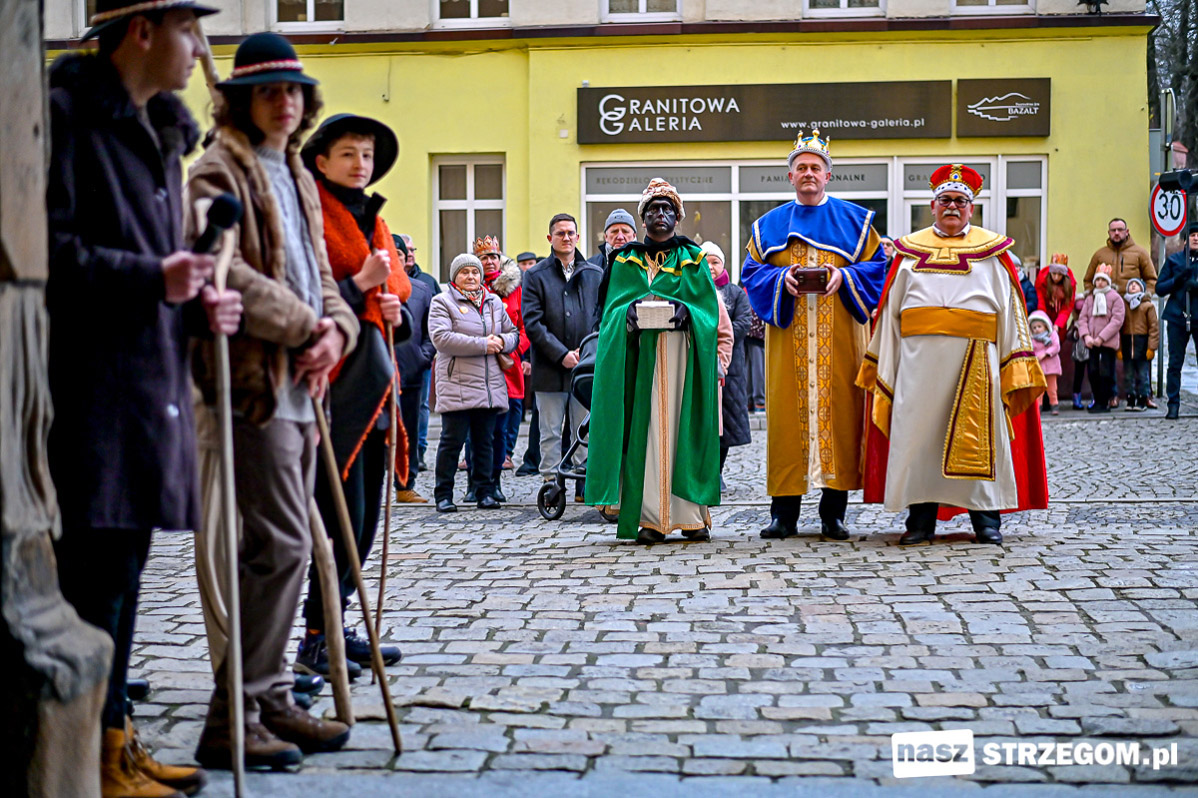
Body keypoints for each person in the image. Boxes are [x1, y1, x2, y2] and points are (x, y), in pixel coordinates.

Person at [47, 2, 239, 794]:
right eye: (190, 32)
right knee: (93, 576)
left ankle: (116, 737)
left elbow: (167, 264)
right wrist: (154, 280)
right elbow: (46, 254)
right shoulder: (66, 119)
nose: (200, 52)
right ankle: (86, 750)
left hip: (150, 380)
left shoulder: (162, 131)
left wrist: (199, 302)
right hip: (91, 382)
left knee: (126, 571)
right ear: (143, 32)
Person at [186, 32, 358, 769]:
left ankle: (270, 698)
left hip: (299, 381)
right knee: (283, 545)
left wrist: (338, 333)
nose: (285, 102)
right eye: (268, 91)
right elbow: (220, 270)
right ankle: (235, 714)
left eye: (294, 91)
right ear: (240, 100)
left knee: (296, 547)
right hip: (246, 380)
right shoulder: (216, 169)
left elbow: (319, 274)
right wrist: (307, 324)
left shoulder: (293, 171)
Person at [857, 164, 1048, 546]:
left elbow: (1011, 313)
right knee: (918, 440)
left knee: (979, 439)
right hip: (916, 368)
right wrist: (885, 364)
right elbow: (891, 315)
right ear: (932, 205)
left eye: (961, 201)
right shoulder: (909, 253)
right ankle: (920, 520)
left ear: (972, 209)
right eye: (945, 200)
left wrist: (1014, 365)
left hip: (977, 362)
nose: (952, 207)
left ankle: (986, 520)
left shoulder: (993, 254)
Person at [294, 113, 410, 678]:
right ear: (321, 161)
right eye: (348, 154)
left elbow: (394, 302)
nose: (360, 164)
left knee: (360, 525)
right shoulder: (308, 214)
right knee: (335, 519)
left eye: (365, 155)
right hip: (331, 386)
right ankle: (316, 639)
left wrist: (394, 311)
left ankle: (334, 628)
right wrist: (360, 286)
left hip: (374, 382)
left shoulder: (372, 218)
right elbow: (302, 292)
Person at [740, 131, 888, 542]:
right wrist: (781, 278)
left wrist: (844, 275)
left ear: (828, 176)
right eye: (801, 167)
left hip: (840, 340)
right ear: (790, 176)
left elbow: (878, 271)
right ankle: (782, 515)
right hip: (788, 343)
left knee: (839, 417)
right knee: (787, 422)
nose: (808, 174)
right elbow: (750, 274)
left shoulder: (857, 223)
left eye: (815, 168)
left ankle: (833, 514)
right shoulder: (768, 225)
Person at [587, 179, 733, 544]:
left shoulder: (694, 259)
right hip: (642, 366)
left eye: (667, 209)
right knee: (647, 435)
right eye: (654, 209)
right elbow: (610, 313)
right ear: (644, 217)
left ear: (677, 217)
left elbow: (708, 312)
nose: (661, 215)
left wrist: (689, 313)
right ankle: (651, 519)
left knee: (684, 431)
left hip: (684, 359)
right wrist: (628, 316)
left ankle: (691, 517)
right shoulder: (625, 260)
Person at [428, 254, 520, 512]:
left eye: (475, 272)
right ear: (454, 276)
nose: (471, 277)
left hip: (488, 384)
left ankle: (485, 492)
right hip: (457, 383)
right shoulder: (442, 302)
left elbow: (513, 332)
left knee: (484, 441)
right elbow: (441, 338)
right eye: (465, 272)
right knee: (452, 441)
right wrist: (484, 345)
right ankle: (443, 494)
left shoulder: (493, 302)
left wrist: (501, 343)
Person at [522, 214, 603, 487]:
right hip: (549, 367)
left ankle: (584, 482)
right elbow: (533, 322)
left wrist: (586, 350)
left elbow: (599, 317)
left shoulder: (594, 273)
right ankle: (550, 483)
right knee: (550, 431)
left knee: (585, 431)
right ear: (550, 239)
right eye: (560, 233)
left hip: (586, 367)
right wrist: (561, 354)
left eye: (571, 233)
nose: (566, 238)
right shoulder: (535, 276)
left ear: (578, 237)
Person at [471, 236, 530, 499]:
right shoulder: (471, 287)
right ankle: (475, 484)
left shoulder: (515, 289)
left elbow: (524, 326)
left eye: (493, 257)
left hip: (507, 365)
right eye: (484, 258)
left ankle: (494, 483)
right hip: (477, 366)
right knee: (475, 430)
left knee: (499, 430)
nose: (490, 261)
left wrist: (513, 349)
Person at [1084, 218, 1155, 407]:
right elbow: (1088, 280)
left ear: (1127, 231)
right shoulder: (1100, 254)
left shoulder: (1139, 253)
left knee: (1139, 353)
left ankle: (1145, 394)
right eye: (1113, 230)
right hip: (1108, 316)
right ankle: (1112, 395)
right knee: (1111, 355)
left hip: (1134, 314)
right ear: (1108, 232)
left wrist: (1144, 298)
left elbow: (1151, 279)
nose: (1116, 233)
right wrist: (1095, 302)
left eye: (1120, 229)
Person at [701, 241, 752, 487]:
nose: (710, 267)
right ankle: (705, 470)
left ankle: (718, 471)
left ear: (723, 265)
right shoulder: (695, 291)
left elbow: (744, 322)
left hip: (730, 369)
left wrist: (719, 333)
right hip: (701, 365)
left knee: (727, 425)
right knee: (705, 421)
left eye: (715, 262)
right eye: (706, 261)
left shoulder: (735, 293)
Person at [393, 240, 436, 500]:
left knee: (408, 430)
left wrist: (422, 357)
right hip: (376, 374)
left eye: (398, 253)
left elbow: (431, 332)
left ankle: (405, 485)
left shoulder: (421, 290)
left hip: (411, 371)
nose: (393, 257)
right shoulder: (371, 286)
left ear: (406, 257)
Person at [1155, 223, 1198, 419]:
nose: (1196, 238)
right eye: (1192, 235)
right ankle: (1173, 404)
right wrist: (1177, 281)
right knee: (1175, 363)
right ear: (1185, 240)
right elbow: (1159, 288)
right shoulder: (1174, 261)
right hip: (1177, 317)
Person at [1077, 264, 1125, 414]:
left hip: (1107, 343)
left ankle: (1104, 402)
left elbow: (1117, 321)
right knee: (1092, 371)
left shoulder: (1115, 298)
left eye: (1103, 281)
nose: (1100, 283)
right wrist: (1086, 336)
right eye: (1097, 280)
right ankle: (1096, 399)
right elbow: (1083, 318)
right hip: (1092, 343)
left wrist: (1101, 337)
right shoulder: (1090, 298)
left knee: (1106, 373)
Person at [1034, 253, 1079, 407]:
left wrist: (1057, 325)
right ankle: (1042, 399)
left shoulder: (1069, 285)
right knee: (1041, 360)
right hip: (1042, 321)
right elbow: (1040, 300)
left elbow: (1067, 307)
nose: (1055, 277)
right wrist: (1043, 321)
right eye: (1053, 274)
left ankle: (1052, 396)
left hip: (1058, 325)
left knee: (1053, 361)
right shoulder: (1042, 280)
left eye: (1059, 275)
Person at [1120, 276, 1159, 412]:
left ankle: (1142, 399)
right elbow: (1119, 327)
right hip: (1127, 345)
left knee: (1143, 375)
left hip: (1142, 345)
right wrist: (1119, 347)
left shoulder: (1147, 306)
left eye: (1136, 284)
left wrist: (1152, 347)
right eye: (1131, 285)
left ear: (1142, 288)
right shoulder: (1123, 305)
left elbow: (1154, 328)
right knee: (1128, 375)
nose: (1133, 286)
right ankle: (1130, 399)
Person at [1028, 311, 1061, 415]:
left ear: (1046, 326)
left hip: (1051, 367)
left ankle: (1054, 405)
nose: (1037, 329)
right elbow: (1030, 350)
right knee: (1039, 389)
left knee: (1052, 388)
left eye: (1039, 326)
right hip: (1038, 367)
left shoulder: (1052, 335)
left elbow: (1056, 346)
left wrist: (1045, 353)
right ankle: (1038, 407)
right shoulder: (1032, 340)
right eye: (1034, 327)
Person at [588, 208, 638, 273]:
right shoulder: (590, 266)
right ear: (606, 236)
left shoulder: (646, 263)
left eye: (625, 231)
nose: (620, 237)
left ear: (634, 236)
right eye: (614, 231)